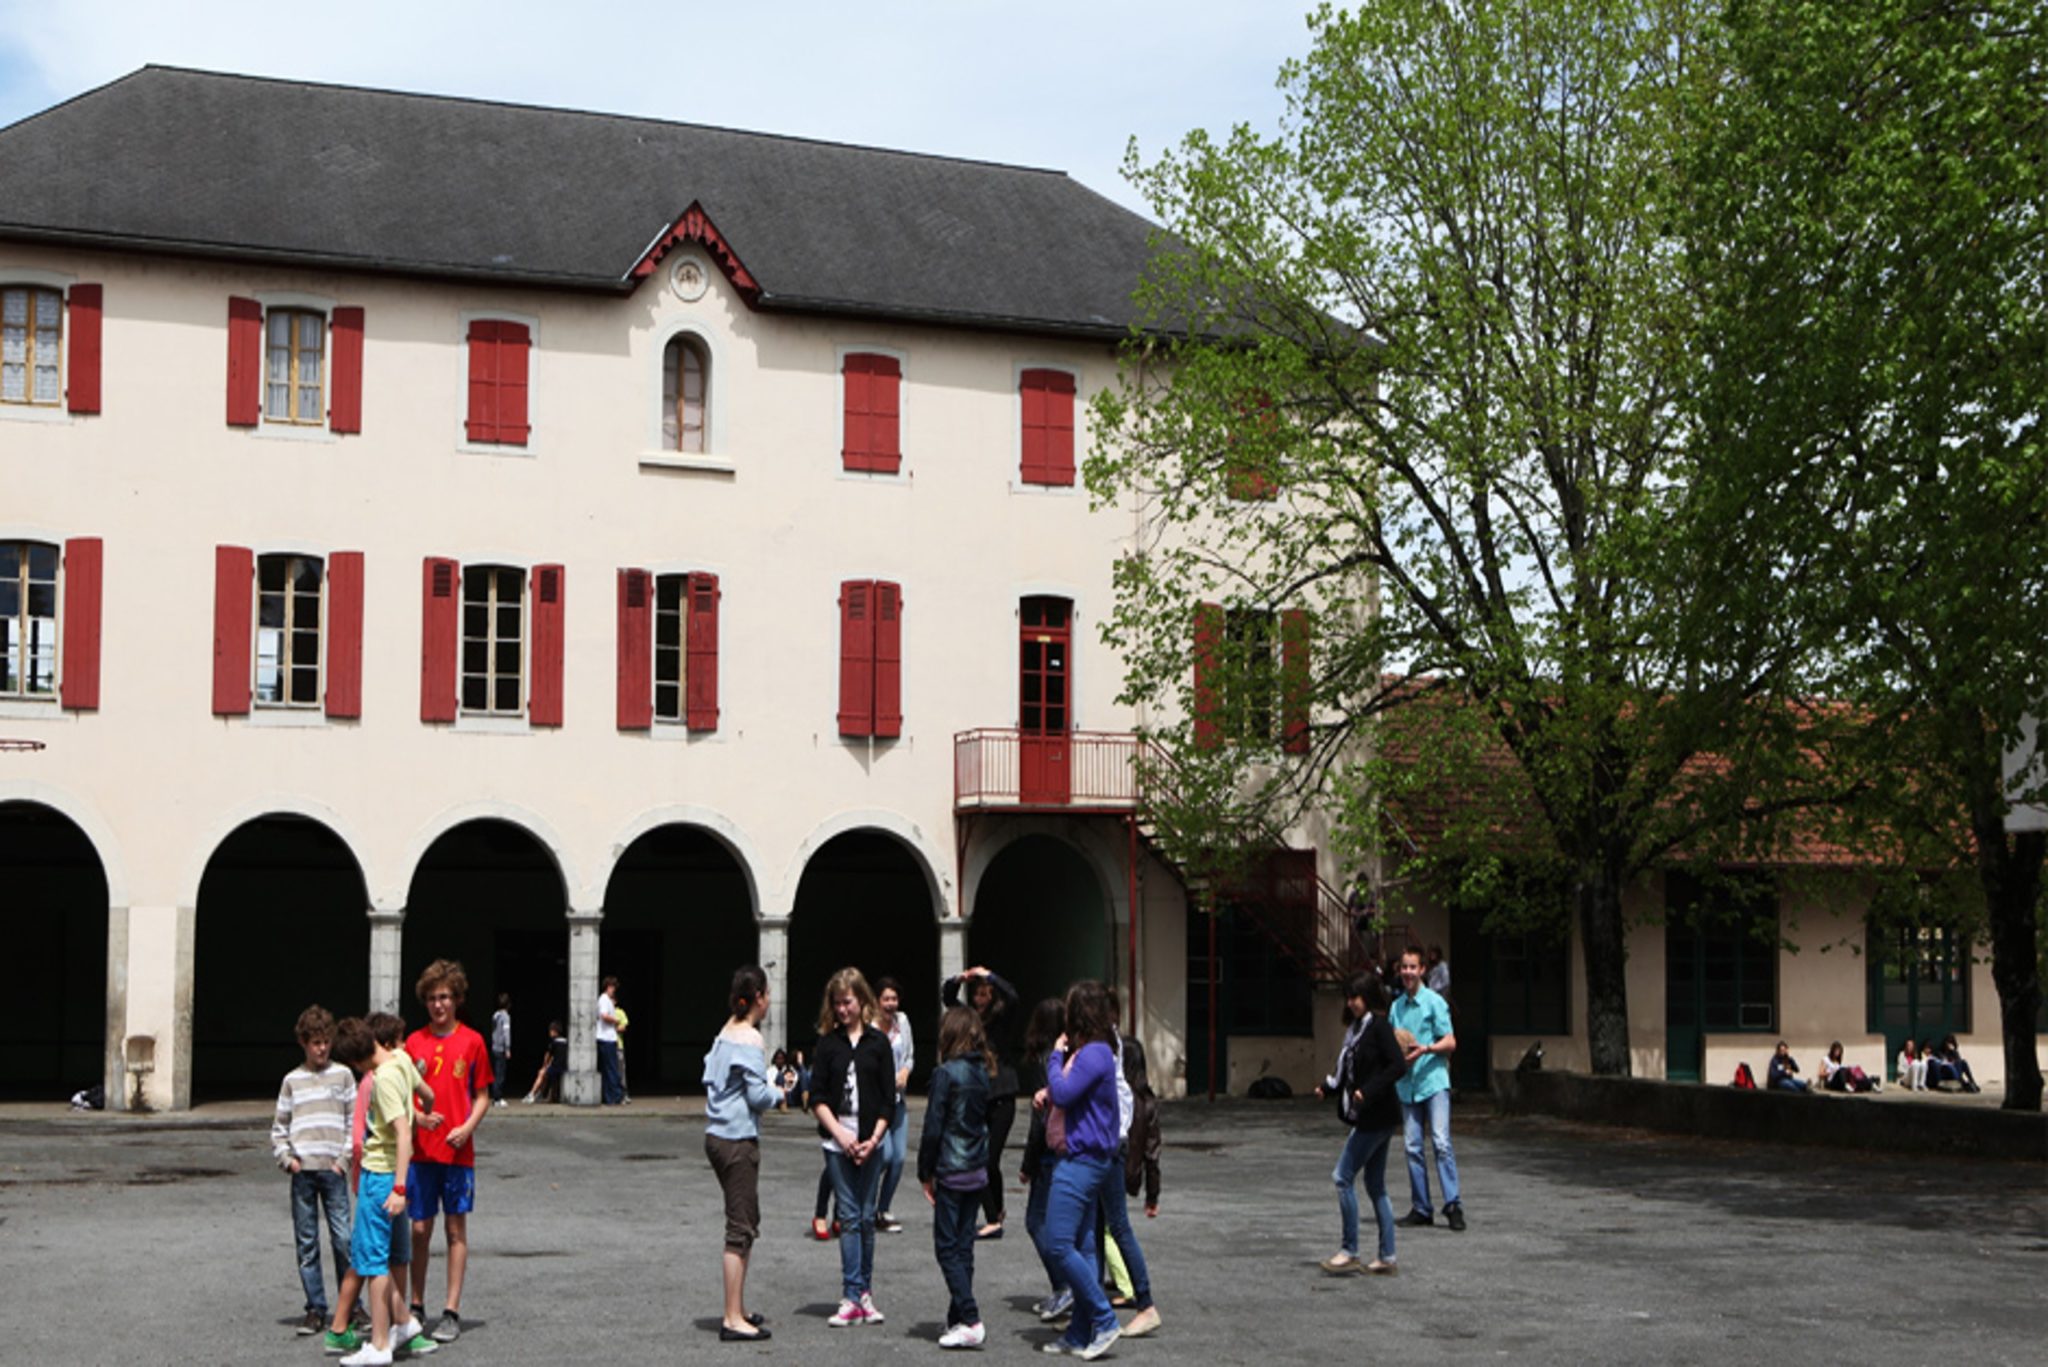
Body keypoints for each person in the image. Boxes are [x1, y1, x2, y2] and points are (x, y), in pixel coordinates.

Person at [331, 1016, 436, 1366]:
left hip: (381, 1175)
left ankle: (379, 1344)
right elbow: (428, 1094)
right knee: (379, 1254)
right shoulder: (402, 1059)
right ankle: (403, 1322)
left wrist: (399, 1188)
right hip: (390, 1174)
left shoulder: (383, 1079)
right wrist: (424, 1113)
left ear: (356, 1060)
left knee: (373, 1260)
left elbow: (403, 1134)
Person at [405, 959, 493, 1345]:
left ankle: (451, 1310)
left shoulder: (473, 1042)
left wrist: (467, 1127)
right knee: (419, 1230)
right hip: (421, 1153)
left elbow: (482, 1095)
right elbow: (401, 1096)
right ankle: (416, 1305)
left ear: (456, 999)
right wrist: (418, 1118)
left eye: (444, 997)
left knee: (455, 1230)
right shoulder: (414, 1043)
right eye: (431, 998)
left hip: (458, 1154)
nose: (438, 1004)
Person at [1039, 980, 1125, 1360]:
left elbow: (1064, 1093)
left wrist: (1054, 1059)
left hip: (1080, 1160)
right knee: (1084, 1245)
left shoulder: (1092, 1054)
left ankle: (1104, 1319)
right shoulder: (1098, 1052)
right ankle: (1079, 1332)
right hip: (1089, 1157)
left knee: (1058, 1243)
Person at [811, 967, 895, 1327]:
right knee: (848, 1216)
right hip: (837, 1141)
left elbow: (888, 1100)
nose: (842, 1009)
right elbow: (817, 1097)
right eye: (837, 1003)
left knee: (865, 1217)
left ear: (861, 1000)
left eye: (847, 1002)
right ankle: (850, 1295)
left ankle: (865, 1294)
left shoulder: (879, 1044)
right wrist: (841, 1136)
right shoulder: (828, 1044)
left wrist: (873, 1139)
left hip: (871, 1140)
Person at [704, 966, 778, 1341]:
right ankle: (732, 1318)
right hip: (737, 1140)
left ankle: (738, 1307)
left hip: (716, 1135)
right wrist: (781, 1090)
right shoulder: (750, 1038)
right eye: (768, 994)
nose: (770, 1001)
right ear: (759, 997)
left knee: (745, 1219)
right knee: (740, 1228)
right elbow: (758, 1096)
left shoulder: (725, 1031)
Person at [273, 1005, 355, 1337]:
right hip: (303, 1170)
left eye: (325, 1042)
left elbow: (353, 1122)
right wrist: (288, 1160)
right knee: (307, 1242)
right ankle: (315, 1307)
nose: (321, 1049)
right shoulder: (292, 1081)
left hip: (333, 1169)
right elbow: (279, 1127)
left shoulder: (343, 1075)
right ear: (304, 1044)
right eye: (315, 1043)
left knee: (343, 1239)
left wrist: (343, 1161)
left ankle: (351, 1305)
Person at [1318, 972, 1407, 1276]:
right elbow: (1347, 1068)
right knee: (1375, 1184)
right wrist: (1328, 1087)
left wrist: (1368, 1091)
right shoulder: (1355, 1030)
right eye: (1348, 997)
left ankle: (1350, 1250)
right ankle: (1387, 1257)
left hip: (1377, 1114)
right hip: (1371, 1115)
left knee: (1342, 1176)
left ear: (1367, 997)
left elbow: (1397, 1066)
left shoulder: (1379, 1027)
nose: (1351, 1002)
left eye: (1355, 997)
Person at [919, 1005, 995, 1350]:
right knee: (964, 1246)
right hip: (977, 1166)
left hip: (952, 1166)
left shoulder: (945, 1074)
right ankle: (958, 1317)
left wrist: (925, 1171)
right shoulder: (982, 1072)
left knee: (946, 1247)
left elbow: (933, 1127)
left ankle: (971, 1316)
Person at [1096, 991, 1161, 1338]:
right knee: (1104, 1228)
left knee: (1110, 1229)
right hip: (1121, 1163)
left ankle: (1133, 1294)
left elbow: (1151, 1150)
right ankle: (1096, 1303)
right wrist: (1152, 1195)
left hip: (1111, 1158)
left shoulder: (1107, 1062)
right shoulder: (1143, 1099)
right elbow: (1153, 1152)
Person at [942, 965, 1020, 1239]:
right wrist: (960, 978)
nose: (981, 999)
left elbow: (1013, 996)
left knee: (987, 1159)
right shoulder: (970, 1021)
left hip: (1002, 1094)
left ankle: (992, 1219)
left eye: (986, 994)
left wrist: (989, 975)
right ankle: (996, 1211)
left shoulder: (1001, 1018)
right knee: (985, 1159)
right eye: (977, 994)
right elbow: (947, 997)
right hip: (979, 1094)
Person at [1390, 947, 1464, 1230]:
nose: (1408, 972)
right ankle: (1421, 1207)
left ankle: (1453, 1204)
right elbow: (1392, 1042)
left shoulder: (1434, 1002)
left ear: (1422, 970)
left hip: (1433, 1082)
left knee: (1441, 1142)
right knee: (1412, 1147)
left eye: (1413, 967)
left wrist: (1426, 1049)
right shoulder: (1396, 1007)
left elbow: (1451, 1042)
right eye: (1404, 967)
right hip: (1407, 1085)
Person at [1018, 997, 1077, 1323]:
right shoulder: (1071, 1057)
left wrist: (1027, 1164)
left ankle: (1065, 1285)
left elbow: (1040, 1119)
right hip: (1067, 1148)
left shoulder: (1047, 1061)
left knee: (1038, 1222)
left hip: (1049, 1153)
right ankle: (1064, 1287)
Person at [874, 976, 916, 1234]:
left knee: (899, 1158)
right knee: (885, 1155)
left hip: (899, 1100)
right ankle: (865, 1203)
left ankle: (883, 1209)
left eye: (894, 999)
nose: (891, 1004)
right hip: (878, 1103)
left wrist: (905, 1072)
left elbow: (909, 1056)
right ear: (877, 1001)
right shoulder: (869, 1027)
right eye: (886, 999)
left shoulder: (903, 1021)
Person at [520, 1021, 568, 1103]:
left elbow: (547, 1056)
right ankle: (542, 1094)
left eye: (550, 1031)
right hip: (564, 1067)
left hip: (556, 1067)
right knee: (547, 1075)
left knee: (541, 1073)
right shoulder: (566, 1041)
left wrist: (544, 1066)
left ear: (554, 1031)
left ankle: (531, 1094)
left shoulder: (554, 1042)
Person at [596, 977, 624, 1106]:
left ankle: (610, 1097)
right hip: (606, 1038)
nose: (614, 990)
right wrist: (615, 1020)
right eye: (613, 987)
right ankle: (614, 1096)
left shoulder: (606, 1000)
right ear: (608, 986)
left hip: (608, 1037)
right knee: (611, 1069)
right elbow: (604, 1015)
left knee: (609, 1069)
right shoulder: (604, 999)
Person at [488, 994, 511, 1108]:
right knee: (500, 1074)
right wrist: (507, 1048)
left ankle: (495, 1096)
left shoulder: (495, 1015)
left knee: (495, 1072)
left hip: (494, 1046)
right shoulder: (505, 1017)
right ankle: (497, 1098)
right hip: (501, 1048)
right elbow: (506, 1033)